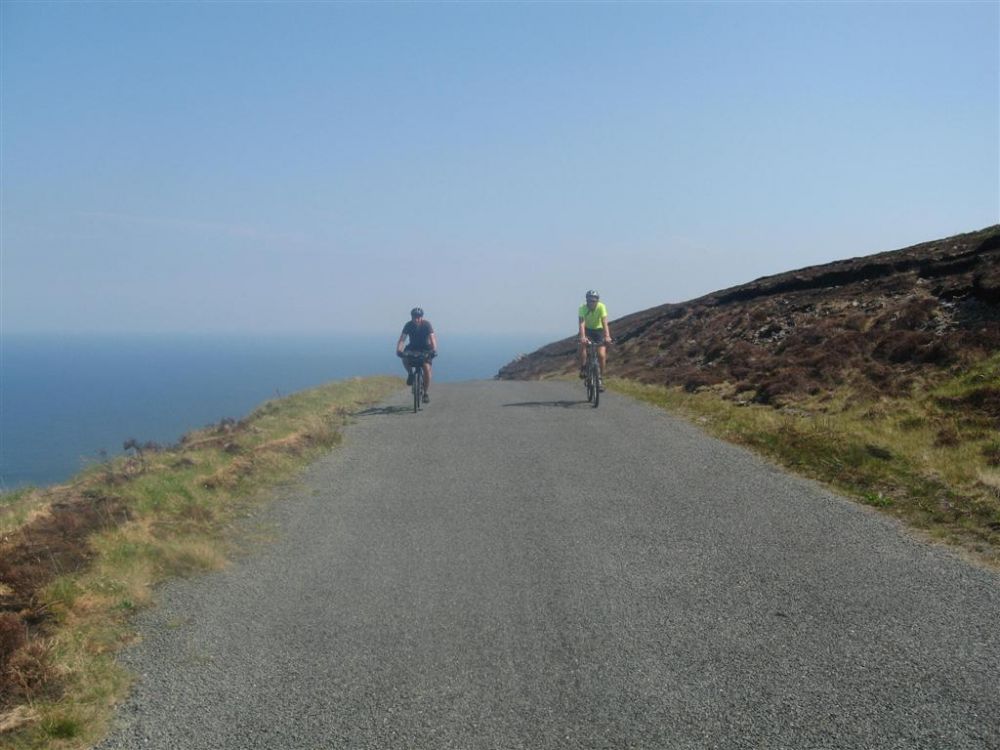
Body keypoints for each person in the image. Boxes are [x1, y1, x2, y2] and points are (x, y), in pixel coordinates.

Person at [396, 307, 438, 403]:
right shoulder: (408, 325)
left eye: (419, 317)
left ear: (422, 317)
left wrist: (434, 350)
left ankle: (425, 393)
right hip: (412, 347)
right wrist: (399, 350)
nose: (417, 319)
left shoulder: (427, 325)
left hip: (425, 349)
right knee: (404, 357)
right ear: (412, 317)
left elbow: (432, 338)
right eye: (415, 317)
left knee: (426, 369)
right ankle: (410, 373)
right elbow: (402, 339)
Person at [578, 290, 612, 390]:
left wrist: (607, 336)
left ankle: (600, 378)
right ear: (587, 301)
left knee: (601, 355)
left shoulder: (601, 307)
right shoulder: (582, 308)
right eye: (590, 300)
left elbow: (604, 322)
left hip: (599, 331)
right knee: (583, 345)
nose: (592, 303)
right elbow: (582, 323)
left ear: (597, 301)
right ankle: (583, 367)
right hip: (587, 330)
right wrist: (583, 337)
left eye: (594, 301)